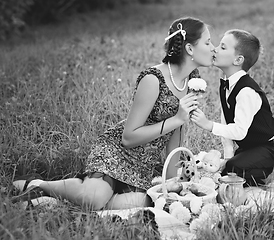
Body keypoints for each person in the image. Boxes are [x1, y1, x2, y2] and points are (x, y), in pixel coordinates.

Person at [12, 16, 215, 210]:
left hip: (143, 164)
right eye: (208, 43)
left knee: (151, 200)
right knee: (94, 199)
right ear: (189, 48)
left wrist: (174, 183)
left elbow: (176, 135)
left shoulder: (191, 80)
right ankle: (39, 184)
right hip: (117, 152)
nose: (213, 48)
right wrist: (177, 118)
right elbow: (128, 137)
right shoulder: (153, 79)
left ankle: (67, 198)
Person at [190, 29, 274, 193]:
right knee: (227, 168)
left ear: (238, 60)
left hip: (272, 147)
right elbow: (226, 121)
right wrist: (228, 156)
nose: (215, 49)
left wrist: (208, 125)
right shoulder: (226, 84)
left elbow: (239, 132)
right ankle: (256, 170)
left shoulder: (246, 91)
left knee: (234, 168)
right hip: (251, 147)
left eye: (222, 47)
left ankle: (272, 174)